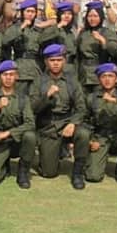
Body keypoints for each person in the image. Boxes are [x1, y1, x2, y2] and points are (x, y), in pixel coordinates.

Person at [30, 44, 88, 189]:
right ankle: (51, 154)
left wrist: (73, 123)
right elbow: (31, 108)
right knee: (49, 173)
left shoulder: (72, 82)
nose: (55, 63)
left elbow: (82, 108)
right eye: (52, 60)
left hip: (67, 122)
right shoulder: (39, 82)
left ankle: (78, 172)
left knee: (83, 134)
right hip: (48, 125)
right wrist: (46, 96)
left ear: (64, 61)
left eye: (59, 60)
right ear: (46, 62)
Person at [0, 60, 36, 188]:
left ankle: (23, 171)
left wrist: (9, 133)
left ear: (16, 76)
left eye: (11, 74)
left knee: (30, 136)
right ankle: (3, 166)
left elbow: (30, 123)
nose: (8, 78)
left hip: (16, 141)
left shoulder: (23, 99)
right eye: (5, 75)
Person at [83, 63, 117, 184]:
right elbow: (84, 121)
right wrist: (90, 140)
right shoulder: (91, 98)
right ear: (98, 79)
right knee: (93, 176)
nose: (107, 79)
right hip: (100, 138)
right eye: (103, 76)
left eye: (111, 76)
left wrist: (116, 100)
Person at [76, 0, 115, 88]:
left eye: (95, 16)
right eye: (90, 16)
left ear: (101, 17)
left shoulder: (107, 32)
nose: (92, 19)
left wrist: (103, 41)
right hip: (83, 72)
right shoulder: (83, 32)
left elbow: (114, 52)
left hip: (99, 71)